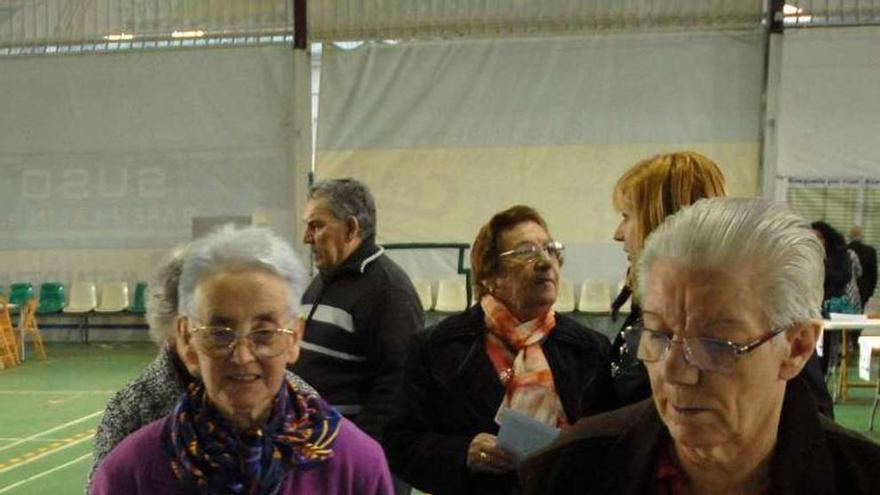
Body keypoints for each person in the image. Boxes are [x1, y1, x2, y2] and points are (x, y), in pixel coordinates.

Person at [521, 198, 880, 495]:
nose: (675, 373)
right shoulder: (568, 473)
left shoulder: (861, 478)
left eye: (715, 345)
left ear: (797, 347)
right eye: (658, 336)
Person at [90, 225, 392, 494]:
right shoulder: (130, 474)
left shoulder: (355, 467)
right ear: (186, 340)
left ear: (294, 338)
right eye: (220, 333)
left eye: (264, 333)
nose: (242, 355)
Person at [383, 205, 614, 495]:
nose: (545, 262)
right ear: (489, 275)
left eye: (551, 249)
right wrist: (462, 453)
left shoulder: (590, 349)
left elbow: (611, 442)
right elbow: (399, 443)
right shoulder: (436, 347)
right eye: (525, 252)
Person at [88, 247, 317, 490]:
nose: (239, 354)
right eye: (216, 330)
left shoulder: (301, 402)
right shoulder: (131, 408)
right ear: (177, 329)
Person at [293, 178, 424, 442]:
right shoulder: (321, 281)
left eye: (316, 226)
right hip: (317, 447)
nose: (306, 238)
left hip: (354, 459)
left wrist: (356, 454)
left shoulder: (388, 291)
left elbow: (397, 387)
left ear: (351, 228)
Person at [608, 151, 726, 406]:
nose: (618, 234)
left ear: (658, 222)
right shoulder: (648, 302)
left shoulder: (719, 320)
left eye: (627, 217)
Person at [849, 225, 878, 308]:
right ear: (862, 235)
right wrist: (870, 292)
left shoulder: (844, 250)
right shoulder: (870, 251)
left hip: (847, 292)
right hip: (864, 290)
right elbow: (874, 274)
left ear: (850, 236)